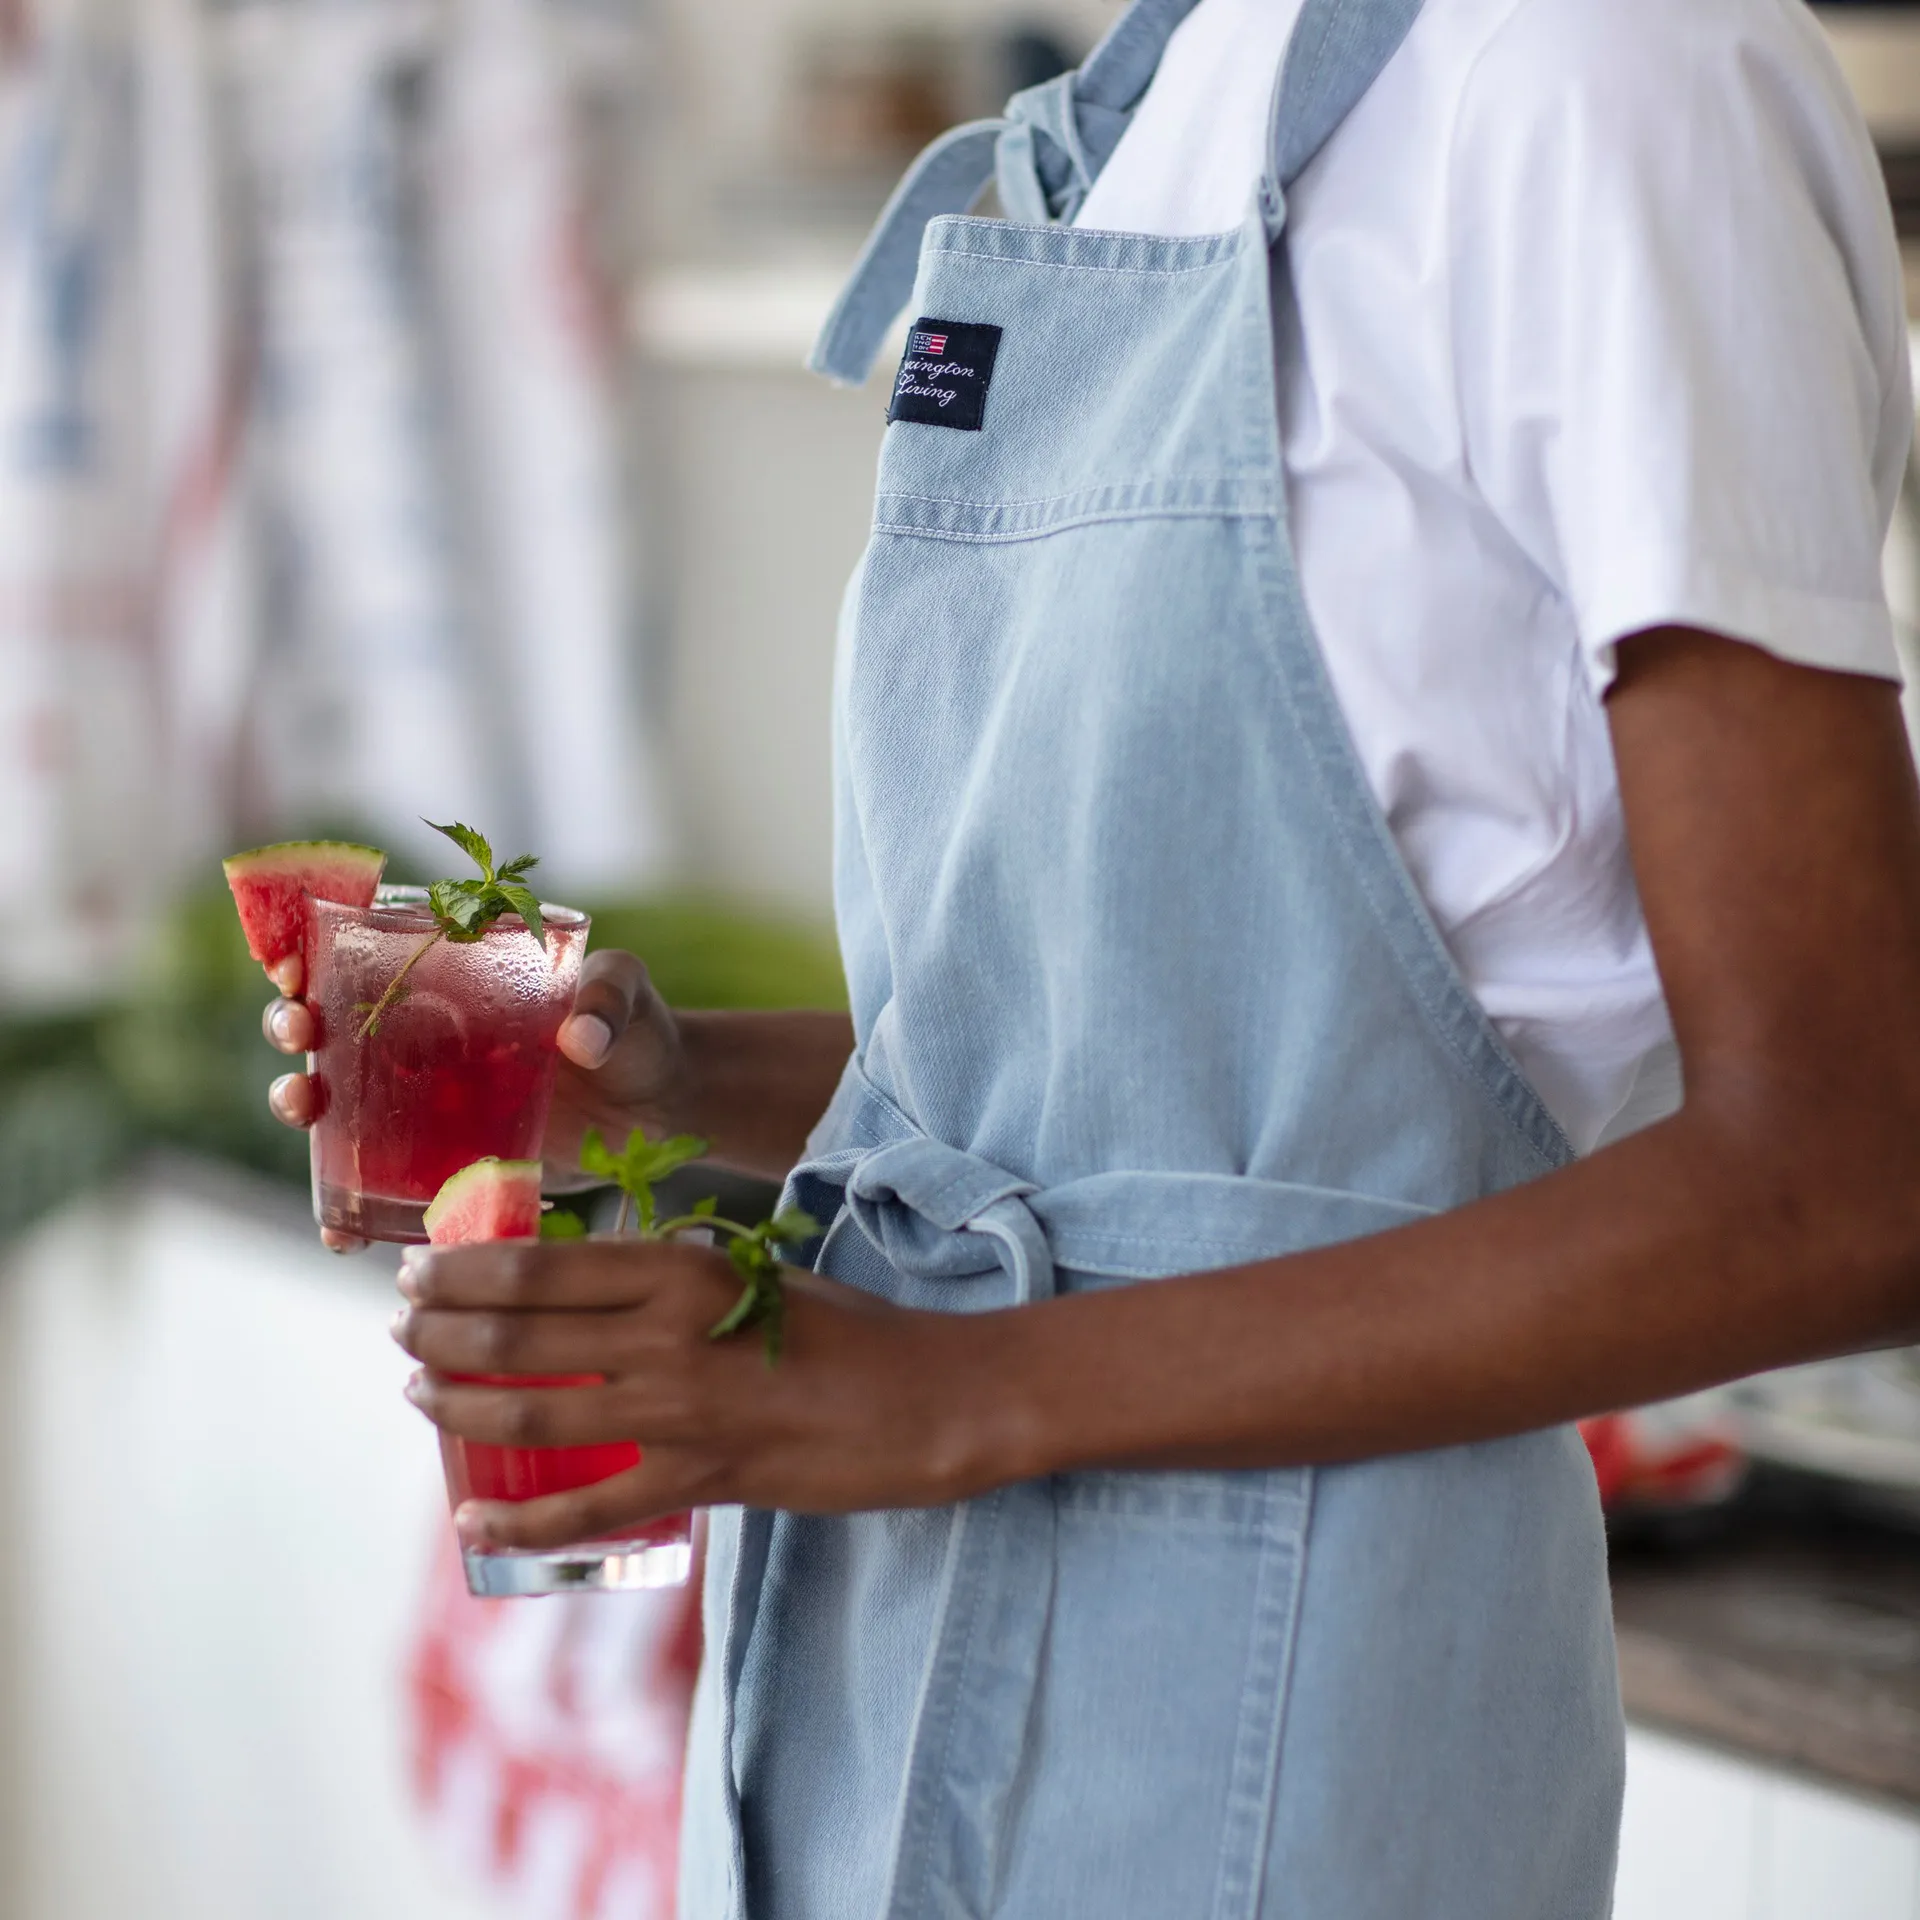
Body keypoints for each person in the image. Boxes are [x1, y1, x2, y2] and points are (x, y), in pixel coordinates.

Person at [263, 0, 1920, 1912]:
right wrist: (679, 1077)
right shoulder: (1152, 103)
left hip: (1274, 1722)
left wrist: (946, 1391)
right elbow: (1165, 1094)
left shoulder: (1609, 70)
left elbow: (1850, 1175)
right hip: (855, 1699)